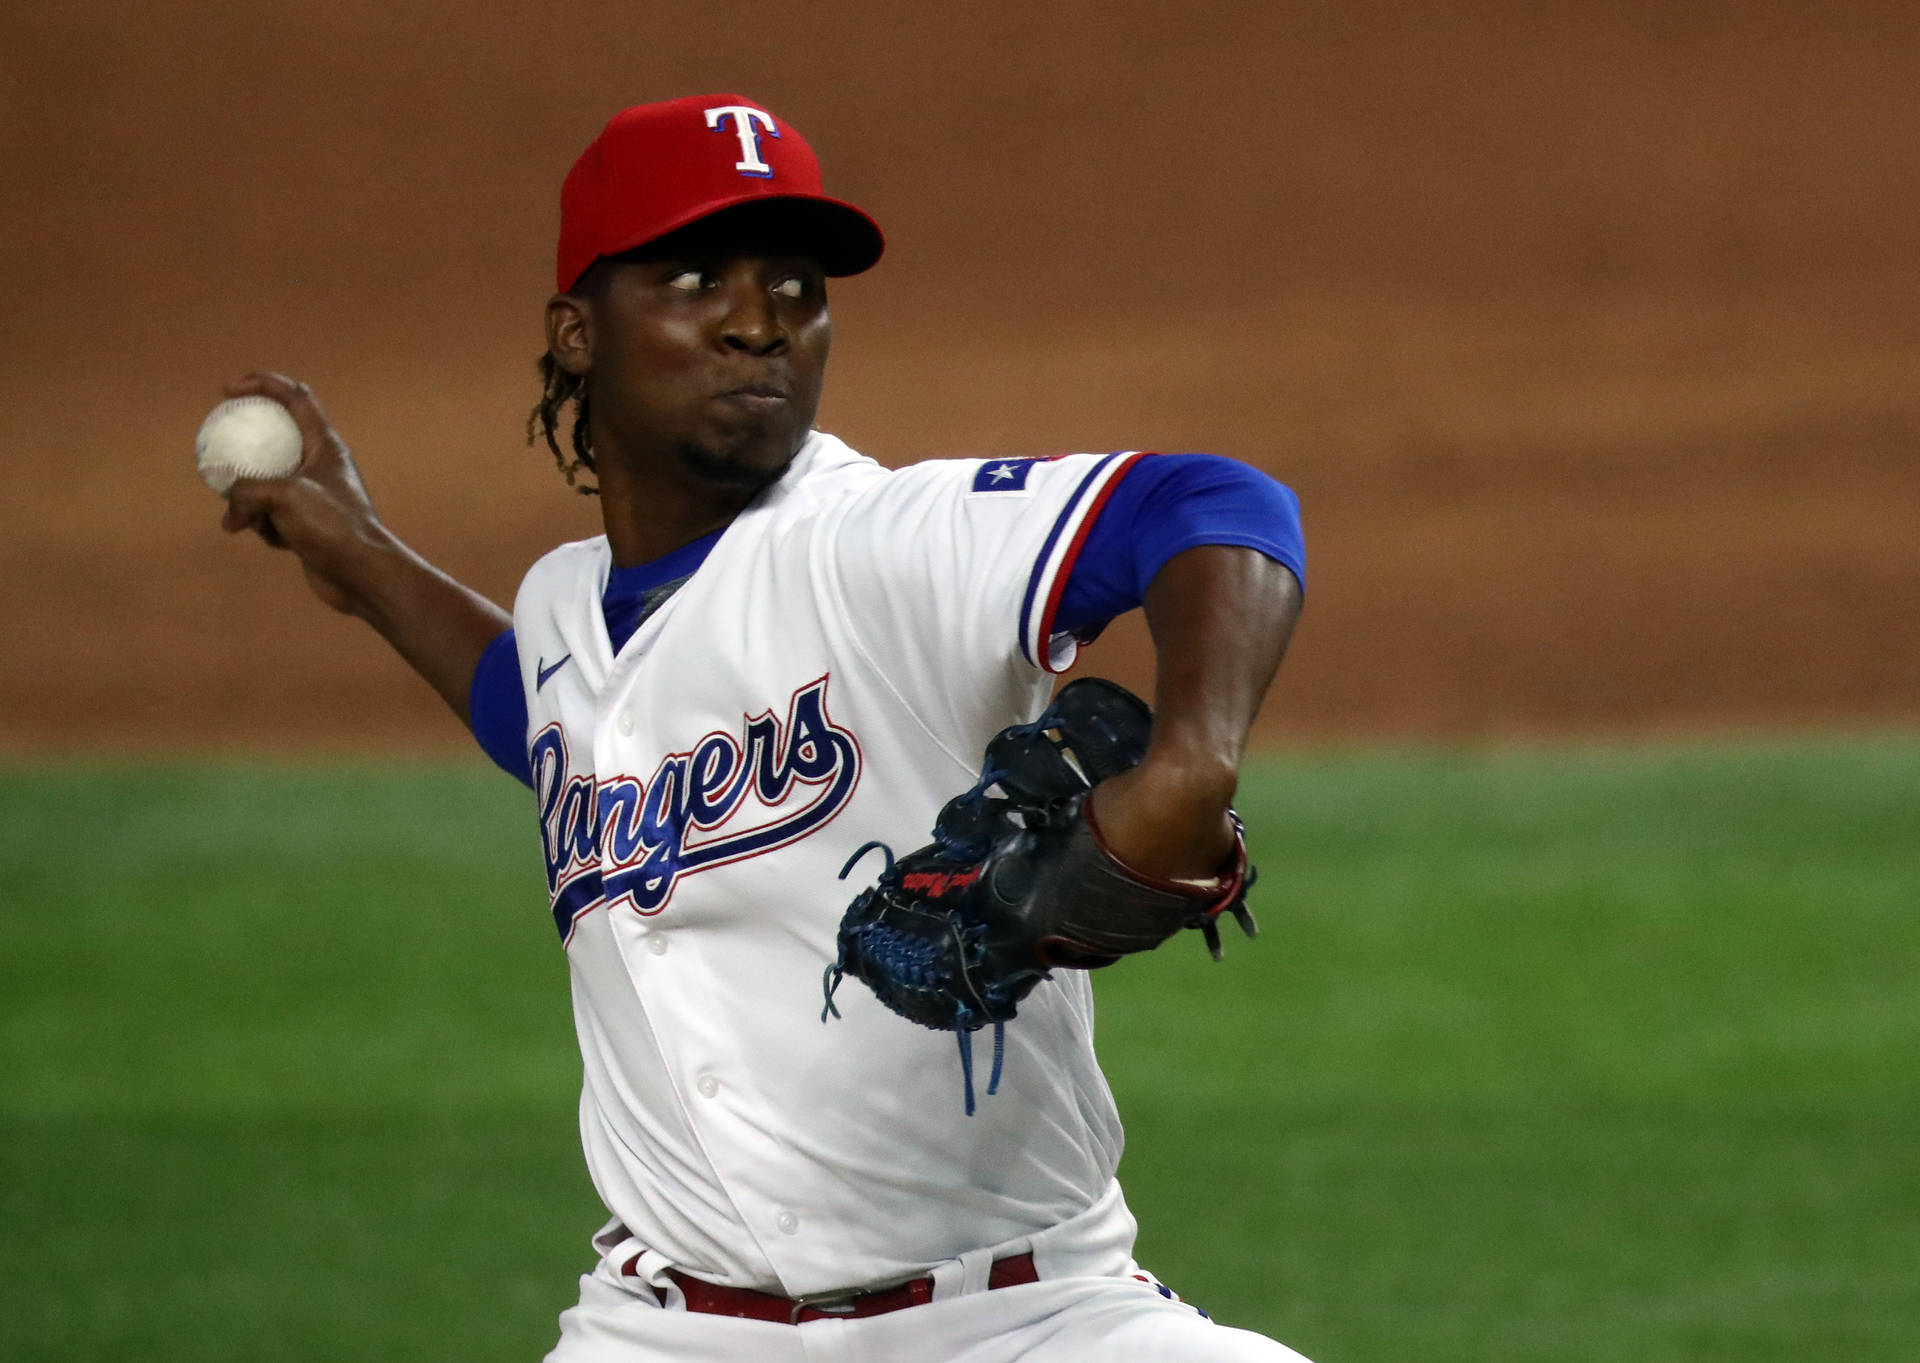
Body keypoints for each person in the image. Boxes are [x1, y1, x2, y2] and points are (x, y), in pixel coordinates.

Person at [220, 93, 1309, 1362]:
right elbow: (554, 715)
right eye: (695, 277)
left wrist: (1192, 760)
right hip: (657, 1333)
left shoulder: (873, 543)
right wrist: (356, 554)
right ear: (578, 333)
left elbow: (1217, 502)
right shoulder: (569, 605)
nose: (758, 321)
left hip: (1023, 1319)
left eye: (796, 286)